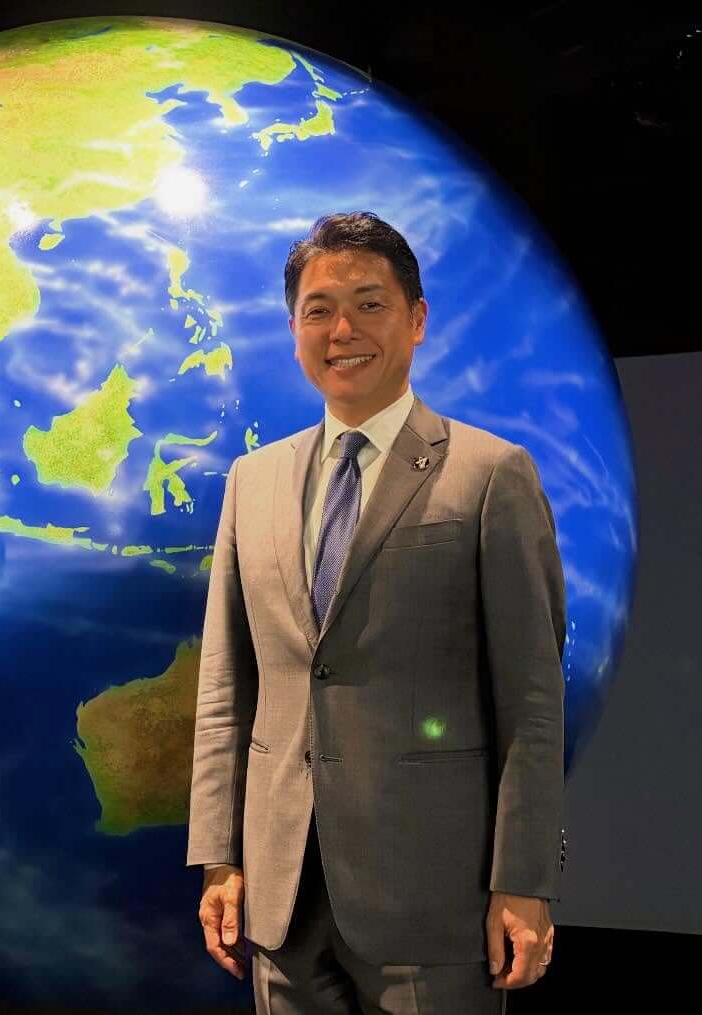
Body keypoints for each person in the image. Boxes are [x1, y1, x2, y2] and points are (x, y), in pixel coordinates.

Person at [188, 212, 565, 1013]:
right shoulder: (251, 482)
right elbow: (226, 687)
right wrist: (220, 855)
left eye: (369, 304)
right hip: (282, 899)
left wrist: (525, 878)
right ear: (294, 330)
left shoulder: (492, 474)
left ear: (416, 319)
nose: (342, 330)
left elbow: (532, 699)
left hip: (436, 901)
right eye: (319, 310)